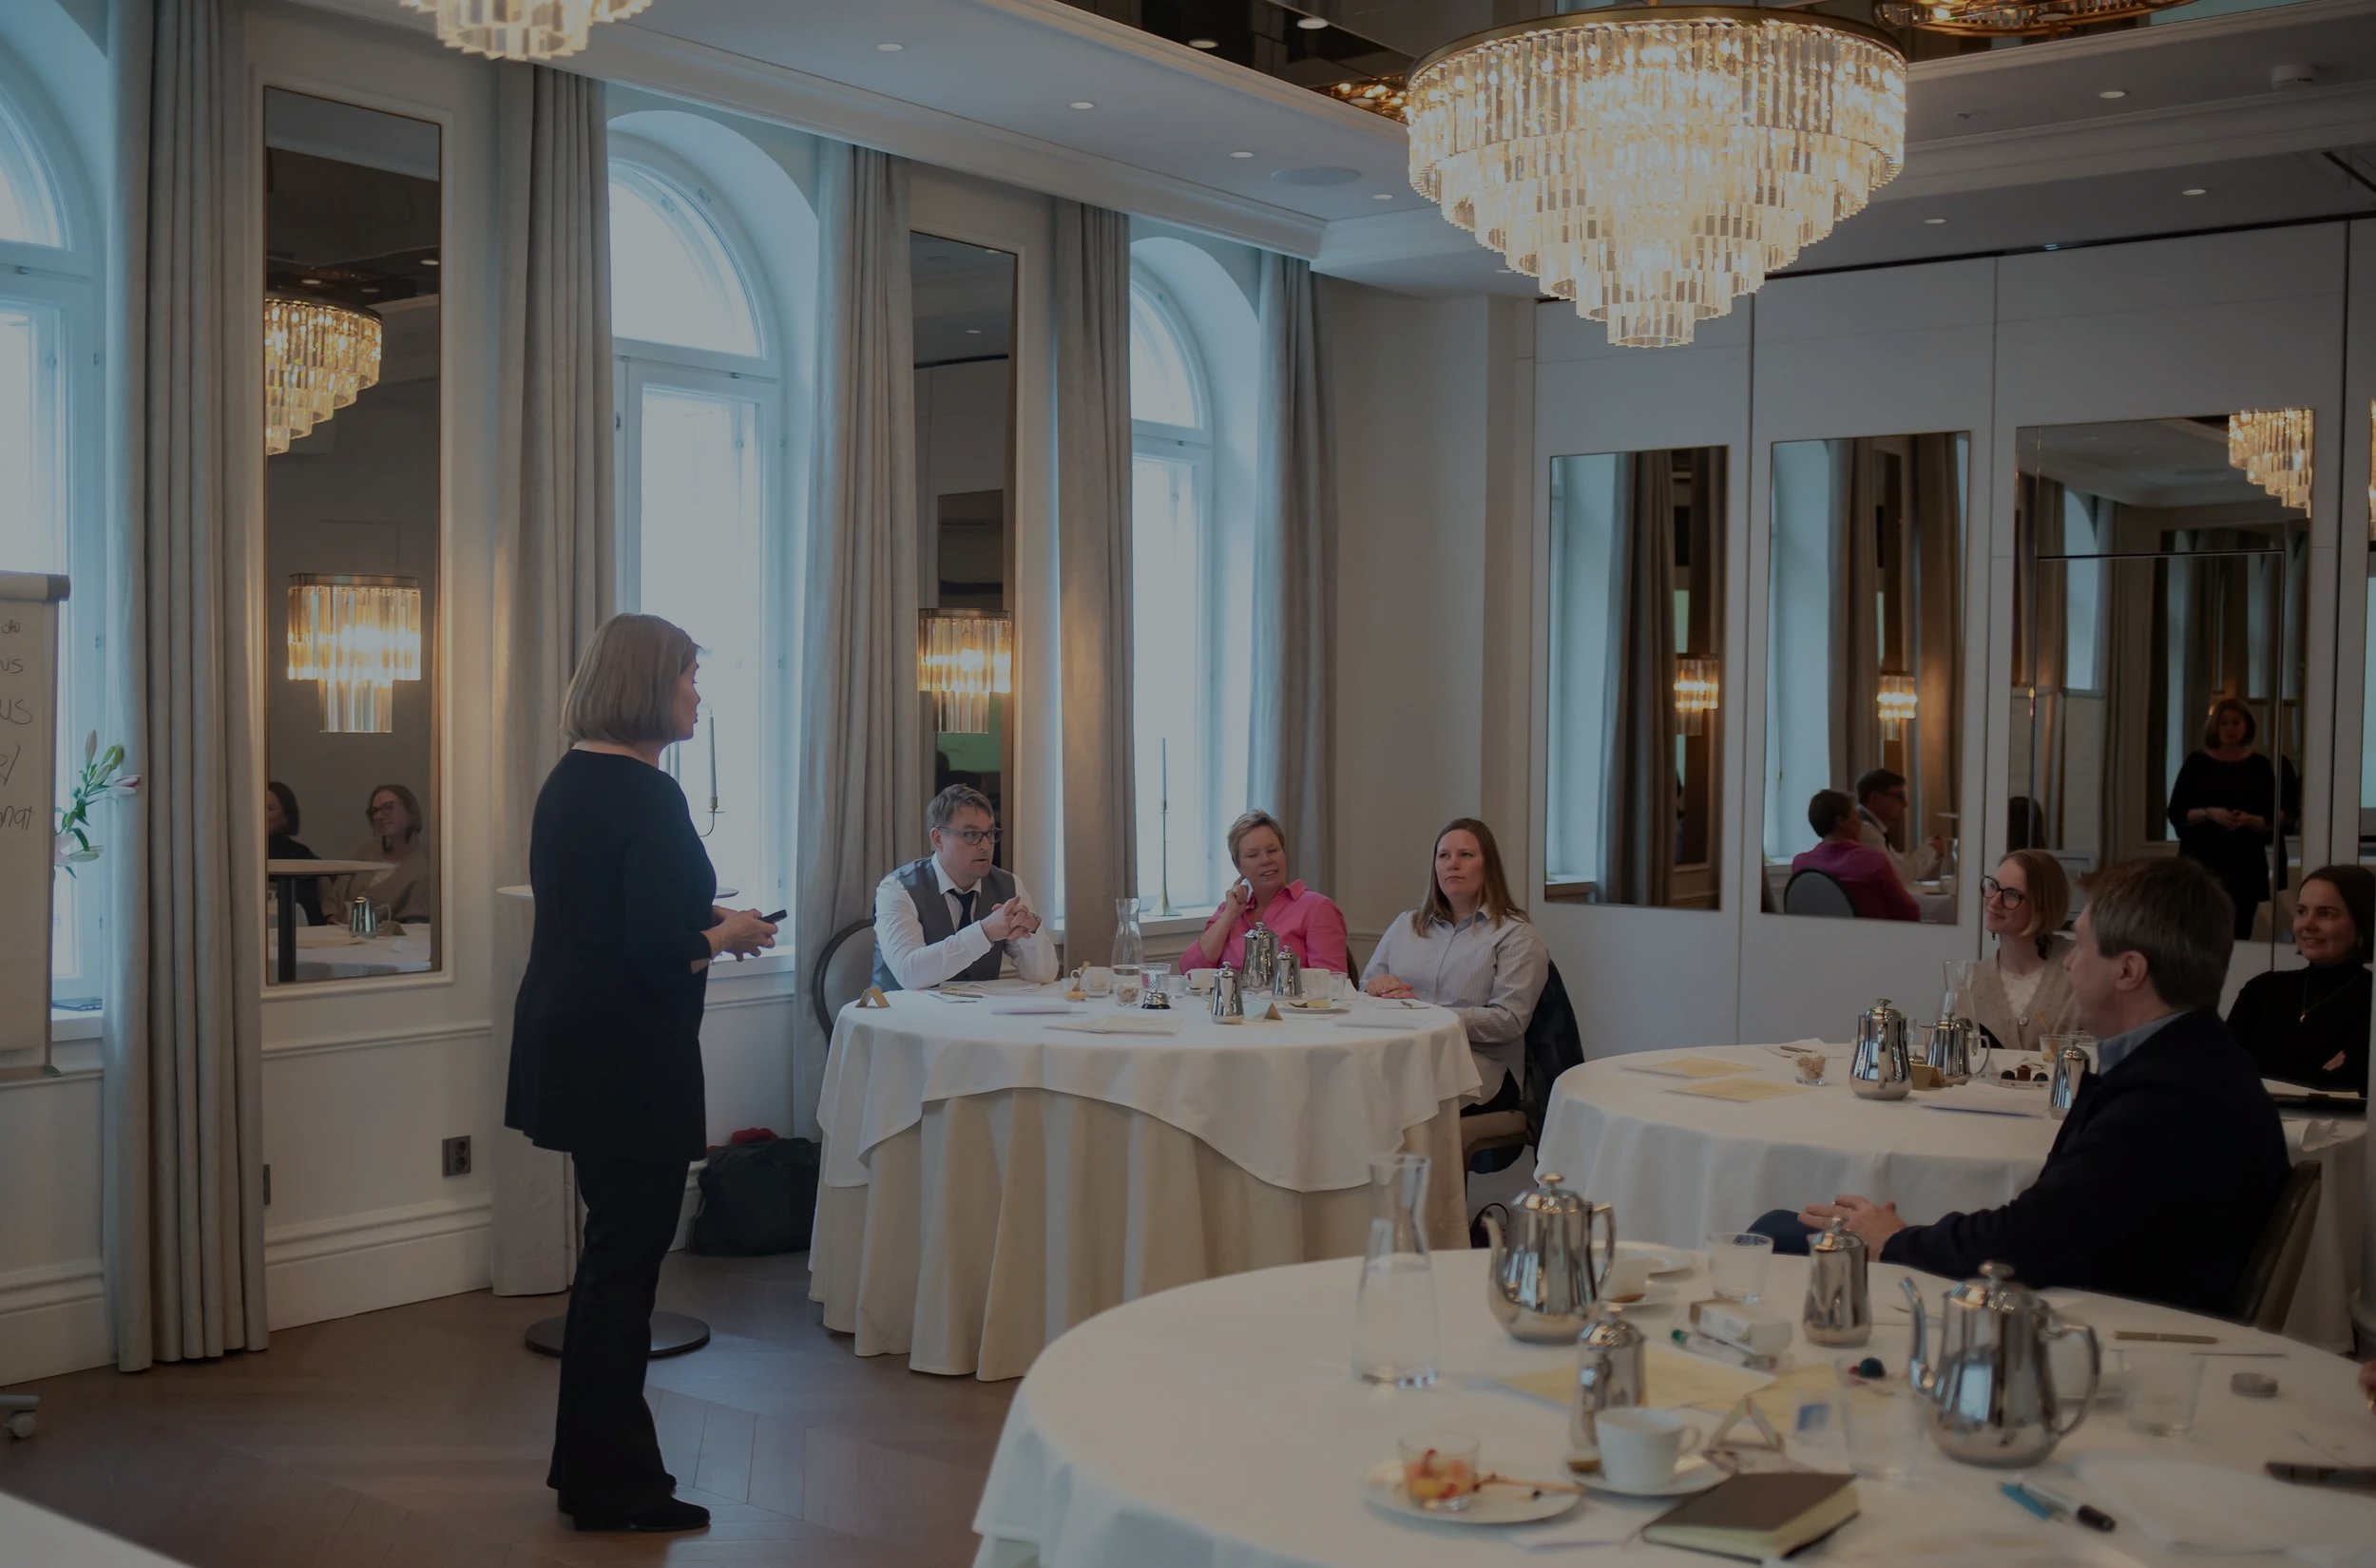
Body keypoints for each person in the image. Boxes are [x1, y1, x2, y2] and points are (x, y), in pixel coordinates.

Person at [504, 613, 776, 1536]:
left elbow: (613, 920)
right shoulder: (646, 794)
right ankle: (612, 1486)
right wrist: (726, 934)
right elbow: (654, 947)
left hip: (576, 1047)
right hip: (629, 1058)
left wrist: (710, 926)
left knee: (608, 1265)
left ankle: (588, 1470)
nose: (698, 693)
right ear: (649, 684)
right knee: (623, 1274)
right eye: (689, 675)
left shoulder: (569, 782)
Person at [1753, 855, 2290, 1318]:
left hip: (2092, 1317)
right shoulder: (2196, 1063)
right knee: (1785, 1225)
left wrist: (1895, 1240)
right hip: (2099, 1287)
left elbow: (2026, 1242)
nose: (2070, 963)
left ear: (2128, 971)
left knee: (1774, 1236)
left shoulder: (2168, 1100)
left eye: (2082, 946)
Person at [1363, 818, 1549, 1113]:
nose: (1453, 864)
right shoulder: (1406, 924)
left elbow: (1509, 1021)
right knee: (1352, 1086)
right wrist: (1377, 987)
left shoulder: (1515, 934)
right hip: (1402, 1054)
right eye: (1443, 856)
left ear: (1488, 866)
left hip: (1476, 1066)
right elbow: (1365, 987)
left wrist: (1428, 1013)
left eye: (1465, 855)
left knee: (1389, 1101)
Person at [872, 784, 1058, 990]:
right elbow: (909, 974)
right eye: (971, 834)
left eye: (990, 833)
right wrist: (984, 932)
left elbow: (1044, 975)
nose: (985, 845)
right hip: (900, 1009)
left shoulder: (1009, 886)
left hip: (979, 1009)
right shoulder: (897, 889)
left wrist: (1032, 930)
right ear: (938, 839)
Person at [2226, 864, 2372, 1094]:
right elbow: (2221, 1074)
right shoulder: (2262, 990)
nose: (2307, 924)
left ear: (2362, 924)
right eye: (2302, 911)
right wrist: (2318, 1076)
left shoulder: (2371, 998)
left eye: (2326, 914)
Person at [2168, 696, 2298, 940]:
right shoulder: (2196, 763)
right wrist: (2209, 813)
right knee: (2199, 930)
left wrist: (2249, 820)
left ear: (2247, 726)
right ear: (2215, 726)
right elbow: (2176, 812)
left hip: (2245, 863)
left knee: (2239, 931)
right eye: (2224, 722)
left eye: (2236, 722)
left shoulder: (2259, 765)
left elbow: (2277, 816)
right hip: (2201, 860)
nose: (2230, 728)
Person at [1182, 810, 1350, 976]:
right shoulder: (1229, 910)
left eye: (1272, 850)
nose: (1266, 860)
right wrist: (1229, 916)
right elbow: (1190, 971)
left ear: (1284, 853)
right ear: (1238, 865)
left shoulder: (1318, 908)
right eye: (1253, 855)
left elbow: (1332, 982)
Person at [1955, 850, 2083, 1057]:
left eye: (2011, 894)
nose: (1993, 902)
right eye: (1992, 886)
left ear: (2043, 905)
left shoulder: (2080, 966)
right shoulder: (1971, 981)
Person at [1790, 790, 1919, 921]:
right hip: (1874, 932)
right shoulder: (1872, 860)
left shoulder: (1800, 864)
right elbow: (1909, 912)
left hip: (1819, 932)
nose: (1860, 824)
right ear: (1842, 822)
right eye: (1856, 817)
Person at [328, 781, 434, 926]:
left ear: (409, 810)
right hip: (339, 932)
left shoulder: (426, 864)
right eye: (375, 811)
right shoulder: (367, 851)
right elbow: (335, 897)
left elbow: (418, 920)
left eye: (387, 807)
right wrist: (332, 918)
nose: (378, 816)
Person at [1855, 767, 1947, 887]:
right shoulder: (1865, 830)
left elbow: (1902, 869)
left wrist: (1933, 852)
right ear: (1875, 797)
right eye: (1899, 796)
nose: (1905, 804)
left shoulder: (1873, 828)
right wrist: (1931, 849)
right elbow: (1897, 879)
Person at [265, 780, 325, 927]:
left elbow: (305, 908)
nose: (260, 813)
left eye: (269, 808)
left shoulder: (298, 854)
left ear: (285, 818)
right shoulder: (238, 852)